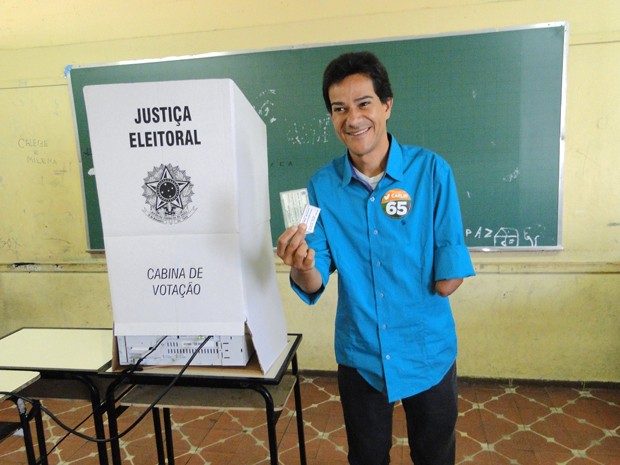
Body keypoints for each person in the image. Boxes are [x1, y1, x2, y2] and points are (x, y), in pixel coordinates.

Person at [277, 51, 475, 465]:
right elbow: (315, 279)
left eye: (364, 103)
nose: (353, 118)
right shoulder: (322, 187)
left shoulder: (432, 173)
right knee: (366, 458)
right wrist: (302, 263)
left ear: (386, 105)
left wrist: (427, 259)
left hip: (427, 351)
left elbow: (448, 279)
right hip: (361, 352)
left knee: (434, 457)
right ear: (331, 116)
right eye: (339, 108)